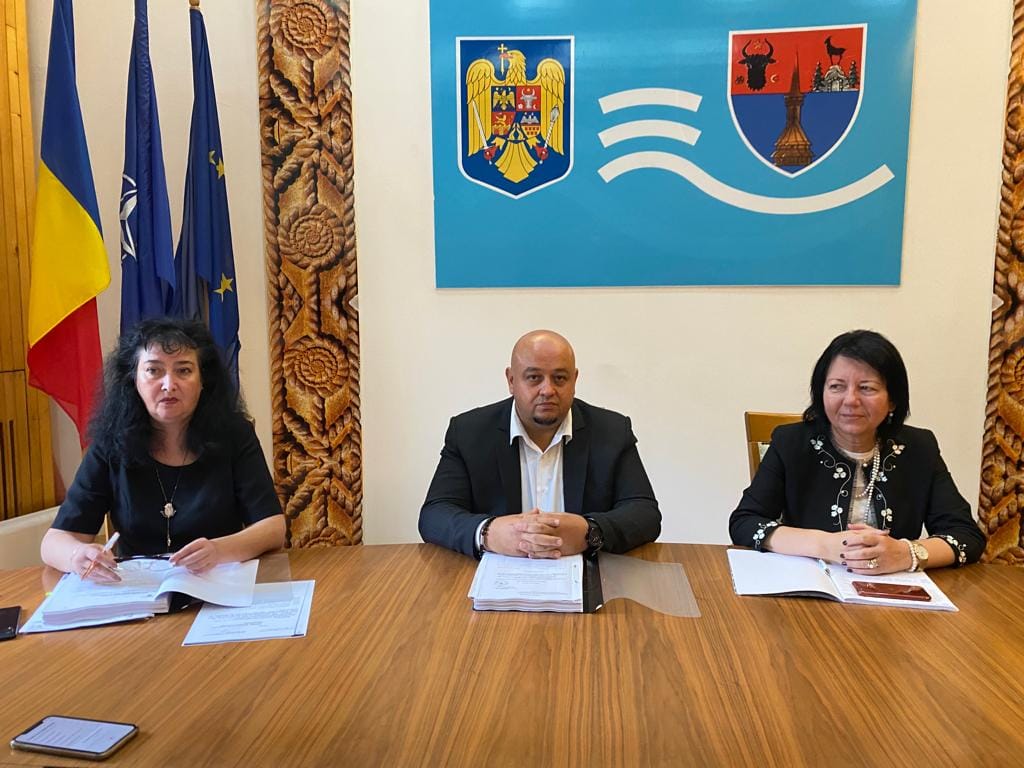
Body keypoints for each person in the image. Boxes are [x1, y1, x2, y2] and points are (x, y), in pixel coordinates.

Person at [41, 318, 286, 581]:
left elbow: (273, 528)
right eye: (153, 371)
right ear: (133, 379)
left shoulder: (234, 435)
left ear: (203, 380)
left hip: (217, 585)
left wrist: (219, 550)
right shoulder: (111, 443)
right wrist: (78, 555)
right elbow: (53, 542)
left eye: (184, 370)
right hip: (139, 592)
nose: (169, 385)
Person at [730, 329, 985, 574]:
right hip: (812, 589)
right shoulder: (790, 442)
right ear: (821, 393)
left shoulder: (920, 448)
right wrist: (824, 545)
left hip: (895, 592)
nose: (851, 400)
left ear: (893, 400)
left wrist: (906, 553)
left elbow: (967, 535)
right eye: (836, 386)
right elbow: (745, 522)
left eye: (867, 388)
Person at [419, 330, 661, 559]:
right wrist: (488, 533)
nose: (547, 390)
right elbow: (434, 514)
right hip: (497, 575)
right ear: (511, 380)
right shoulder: (469, 432)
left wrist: (590, 531)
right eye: (534, 378)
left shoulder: (612, 431)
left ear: (574, 380)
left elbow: (644, 513)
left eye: (560, 378)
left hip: (584, 574)